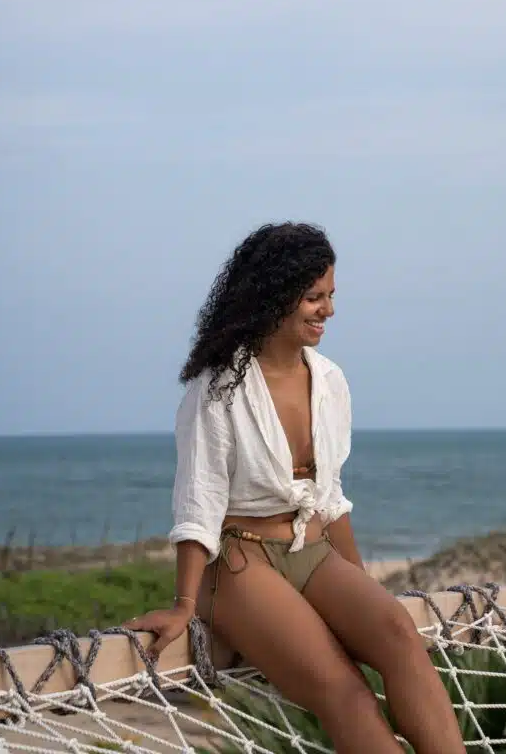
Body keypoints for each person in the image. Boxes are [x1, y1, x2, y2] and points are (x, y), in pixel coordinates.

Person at [127, 223, 466, 754]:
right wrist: (183, 603)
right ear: (274, 295)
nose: (328, 310)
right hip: (242, 565)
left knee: (399, 634)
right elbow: (199, 501)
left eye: (331, 296)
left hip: (313, 550)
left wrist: (361, 591)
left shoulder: (330, 380)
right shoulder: (218, 386)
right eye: (313, 297)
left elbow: (330, 498)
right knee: (346, 694)